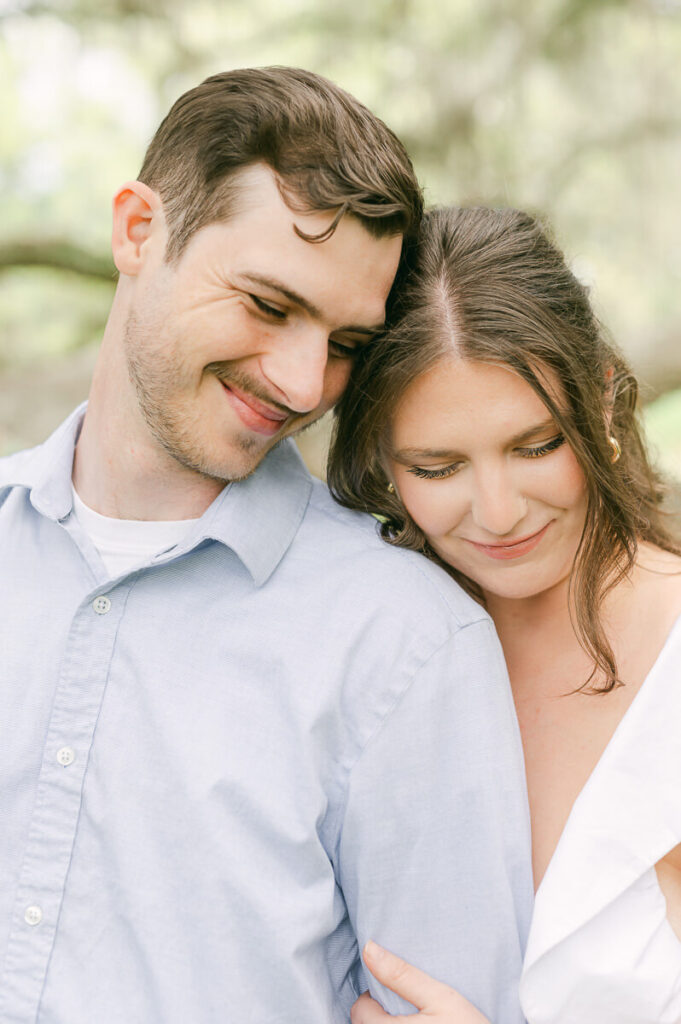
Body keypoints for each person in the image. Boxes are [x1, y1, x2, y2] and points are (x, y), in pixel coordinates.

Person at [0, 71, 533, 1022]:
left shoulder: (403, 642)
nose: (300, 383)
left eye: (346, 344)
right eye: (268, 304)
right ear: (137, 232)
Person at [329, 205, 681, 1024]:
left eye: (534, 446)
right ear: (381, 460)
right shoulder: (370, 653)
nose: (496, 512)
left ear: (600, 404)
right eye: (438, 465)